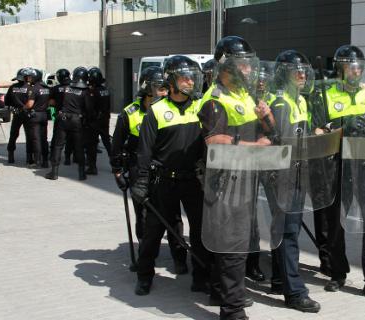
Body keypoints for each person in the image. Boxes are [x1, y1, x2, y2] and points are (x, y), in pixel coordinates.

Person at [312, 45, 365, 304]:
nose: (355, 71)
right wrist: (342, 127)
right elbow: (318, 133)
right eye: (349, 66)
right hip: (338, 167)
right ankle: (337, 272)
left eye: (358, 66)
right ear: (339, 68)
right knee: (335, 223)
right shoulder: (325, 94)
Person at [198, 35, 269, 320]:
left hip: (246, 176)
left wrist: (267, 117)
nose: (250, 70)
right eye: (244, 64)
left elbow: (268, 133)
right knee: (232, 245)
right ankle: (232, 310)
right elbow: (216, 142)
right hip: (226, 181)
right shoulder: (214, 99)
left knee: (232, 242)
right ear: (227, 65)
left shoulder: (245, 95)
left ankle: (221, 292)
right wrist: (257, 146)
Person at [129, 55, 208, 296]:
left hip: (193, 180)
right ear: (171, 81)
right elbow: (144, 151)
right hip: (163, 181)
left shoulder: (200, 107)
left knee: (200, 231)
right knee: (153, 232)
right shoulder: (157, 111)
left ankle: (201, 277)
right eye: (185, 77)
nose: (190, 82)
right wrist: (141, 184)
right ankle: (144, 276)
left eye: (192, 77)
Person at [262, 49, 322, 312]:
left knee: (286, 229)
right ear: (283, 74)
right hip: (284, 174)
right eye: (296, 71)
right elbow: (284, 143)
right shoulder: (281, 102)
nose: (302, 75)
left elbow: (301, 136)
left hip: (297, 171)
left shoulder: (300, 101)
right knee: (288, 232)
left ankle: (278, 279)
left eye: (304, 71)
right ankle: (295, 292)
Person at [111, 66, 168, 254]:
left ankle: (178, 256)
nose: (164, 92)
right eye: (160, 88)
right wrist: (117, 171)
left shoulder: (169, 109)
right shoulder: (129, 113)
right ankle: (145, 252)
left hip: (164, 169)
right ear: (147, 87)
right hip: (138, 169)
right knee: (142, 214)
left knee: (169, 213)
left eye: (166, 87)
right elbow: (116, 145)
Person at [46, 67, 91, 180]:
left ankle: (54, 172)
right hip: (77, 120)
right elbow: (89, 109)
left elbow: (56, 101)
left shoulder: (66, 88)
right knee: (79, 146)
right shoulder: (85, 91)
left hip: (63, 118)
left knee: (58, 145)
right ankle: (81, 173)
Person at [5, 67, 36, 164]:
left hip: (17, 114)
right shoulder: (31, 88)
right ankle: (29, 158)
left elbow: (7, 102)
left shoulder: (12, 87)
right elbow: (32, 103)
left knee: (13, 135)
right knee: (29, 136)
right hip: (27, 114)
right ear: (26, 78)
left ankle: (10, 156)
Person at [24, 69, 50, 168]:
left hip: (35, 116)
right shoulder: (46, 87)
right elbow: (51, 102)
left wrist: (24, 107)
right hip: (44, 115)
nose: (28, 78)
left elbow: (30, 104)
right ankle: (45, 161)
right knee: (44, 138)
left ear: (35, 77)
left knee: (36, 139)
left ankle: (37, 161)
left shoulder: (35, 89)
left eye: (30, 76)